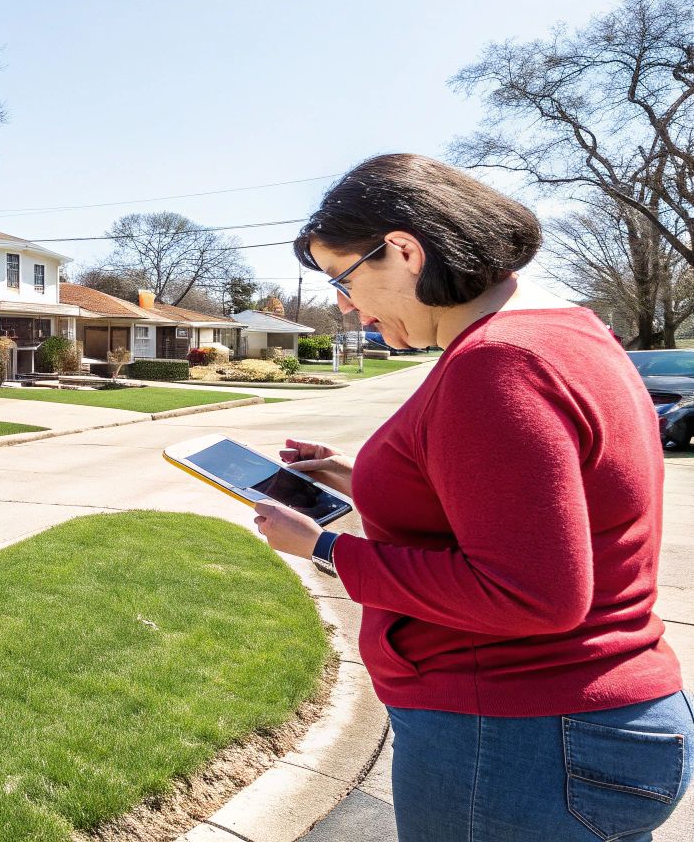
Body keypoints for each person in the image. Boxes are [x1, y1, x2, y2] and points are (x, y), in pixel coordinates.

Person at [250, 153, 689, 841]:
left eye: (343, 277)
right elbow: (521, 499)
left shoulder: (496, 363)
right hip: (588, 729)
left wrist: (325, 548)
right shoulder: (570, 334)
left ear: (402, 250)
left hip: (520, 741)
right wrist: (349, 473)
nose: (344, 304)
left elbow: (531, 591)